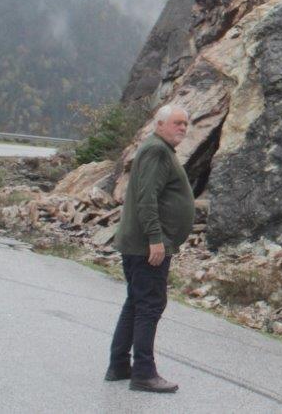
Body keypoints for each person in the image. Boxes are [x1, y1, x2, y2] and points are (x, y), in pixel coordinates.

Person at [105, 103, 195, 393]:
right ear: (160, 124)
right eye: (177, 123)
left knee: (135, 302)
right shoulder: (157, 150)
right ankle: (143, 372)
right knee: (149, 305)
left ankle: (119, 365)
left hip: (138, 244)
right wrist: (156, 239)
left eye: (185, 124)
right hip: (148, 247)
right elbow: (147, 199)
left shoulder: (157, 149)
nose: (182, 128)